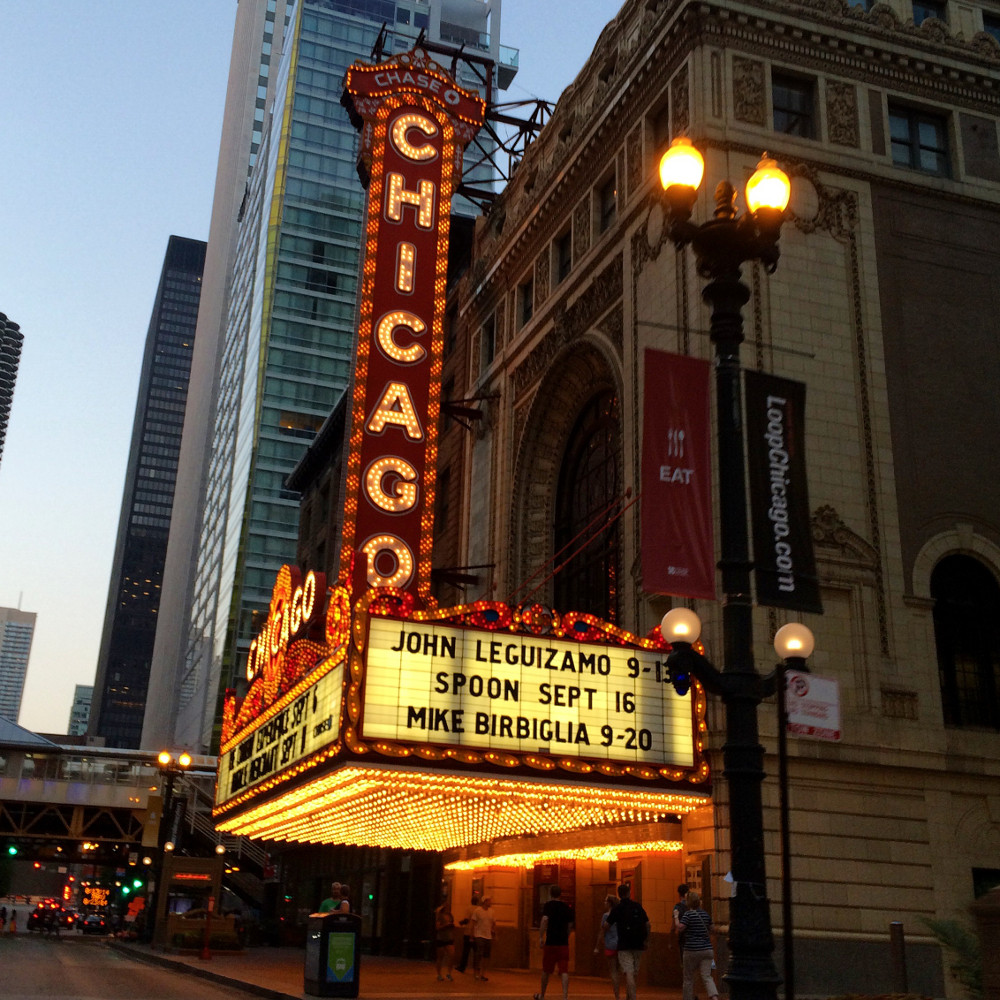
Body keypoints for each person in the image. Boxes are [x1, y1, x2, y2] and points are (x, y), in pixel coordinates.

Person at [605, 885, 649, 1000]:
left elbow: (607, 925)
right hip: (638, 944)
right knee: (634, 973)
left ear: (619, 894)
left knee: (628, 973)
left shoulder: (617, 909)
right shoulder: (637, 906)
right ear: (629, 892)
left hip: (624, 945)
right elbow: (647, 924)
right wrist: (646, 940)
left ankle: (632, 997)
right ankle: (630, 996)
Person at [535, 885, 574, 1000]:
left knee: (546, 970)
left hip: (551, 942)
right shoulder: (566, 907)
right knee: (564, 970)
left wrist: (541, 936)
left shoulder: (548, 906)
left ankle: (542, 994)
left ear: (551, 894)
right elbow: (570, 924)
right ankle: (565, 996)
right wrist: (566, 934)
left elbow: (544, 920)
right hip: (563, 943)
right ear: (560, 894)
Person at [679, 891, 718, 1000]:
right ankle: (714, 997)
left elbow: (681, 928)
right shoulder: (705, 914)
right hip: (707, 950)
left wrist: (677, 918)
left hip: (691, 950)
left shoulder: (688, 914)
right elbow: (713, 929)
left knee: (688, 978)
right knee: (707, 976)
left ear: (688, 902)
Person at [593, 894, 620, 1000]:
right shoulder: (620, 915)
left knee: (613, 971)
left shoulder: (606, 916)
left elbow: (602, 931)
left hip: (610, 945)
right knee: (620, 971)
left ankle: (617, 996)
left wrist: (597, 946)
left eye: (605, 901)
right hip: (621, 945)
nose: (604, 903)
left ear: (609, 903)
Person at [471, 896, 496, 981]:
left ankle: (483, 973)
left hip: (488, 936)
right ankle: (476, 973)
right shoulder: (477, 911)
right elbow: (473, 923)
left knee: (486, 956)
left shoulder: (492, 911)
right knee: (478, 954)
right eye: (489, 901)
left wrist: (494, 932)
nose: (490, 902)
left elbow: (493, 923)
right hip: (479, 935)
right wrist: (472, 934)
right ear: (484, 902)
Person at [455, 892, 479, 973]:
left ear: (471, 901)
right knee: (476, 951)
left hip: (468, 932)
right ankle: (476, 967)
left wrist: (460, 923)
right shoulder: (479, 909)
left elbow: (466, 919)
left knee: (466, 951)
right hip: (477, 933)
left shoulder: (469, 908)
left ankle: (462, 967)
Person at [434, 899, 456, 981]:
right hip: (441, 937)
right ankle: (439, 974)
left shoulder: (450, 915)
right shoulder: (440, 916)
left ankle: (449, 973)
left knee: (452, 955)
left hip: (449, 937)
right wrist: (445, 925)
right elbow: (437, 927)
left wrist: (451, 926)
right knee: (440, 957)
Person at [672, 883, 689, 957]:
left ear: (679, 894)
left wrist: (671, 939)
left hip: (682, 937)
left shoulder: (677, 907)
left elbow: (673, 925)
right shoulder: (692, 906)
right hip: (694, 938)